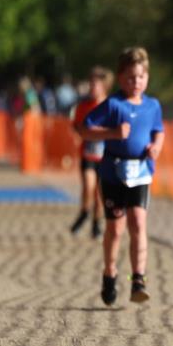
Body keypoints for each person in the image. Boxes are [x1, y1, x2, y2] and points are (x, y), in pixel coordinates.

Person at [79, 48, 165, 306]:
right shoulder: (113, 104)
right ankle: (109, 273)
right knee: (115, 228)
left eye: (140, 77)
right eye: (129, 77)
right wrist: (112, 133)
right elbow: (85, 129)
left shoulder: (153, 105)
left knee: (138, 222)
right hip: (113, 173)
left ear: (146, 77)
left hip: (140, 172)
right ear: (119, 78)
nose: (135, 82)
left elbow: (159, 130)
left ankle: (138, 278)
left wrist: (156, 147)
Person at [70, 66, 112, 239]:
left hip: (105, 156)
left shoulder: (111, 105)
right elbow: (76, 126)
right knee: (88, 186)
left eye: (96, 85)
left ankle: (96, 222)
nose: (93, 88)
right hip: (88, 154)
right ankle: (84, 212)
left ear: (104, 86)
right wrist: (84, 131)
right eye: (91, 84)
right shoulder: (83, 106)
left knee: (99, 193)